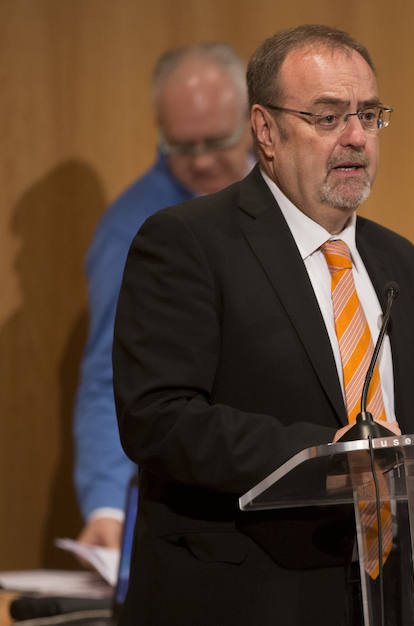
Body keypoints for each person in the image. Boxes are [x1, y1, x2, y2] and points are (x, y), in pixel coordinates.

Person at [112, 25, 414, 626]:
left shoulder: (395, 258)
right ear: (266, 130)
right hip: (249, 595)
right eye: (327, 118)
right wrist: (330, 457)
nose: (356, 137)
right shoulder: (188, 243)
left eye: (369, 115)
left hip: (389, 594)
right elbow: (159, 420)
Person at [72, 43, 254, 550]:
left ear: (251, 120)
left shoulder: (293, 196)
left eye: (217, 141)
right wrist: (106, 504)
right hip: (193, 498)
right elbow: (111, 374)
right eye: (180, 145)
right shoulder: (131, 229)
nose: (199, 162)